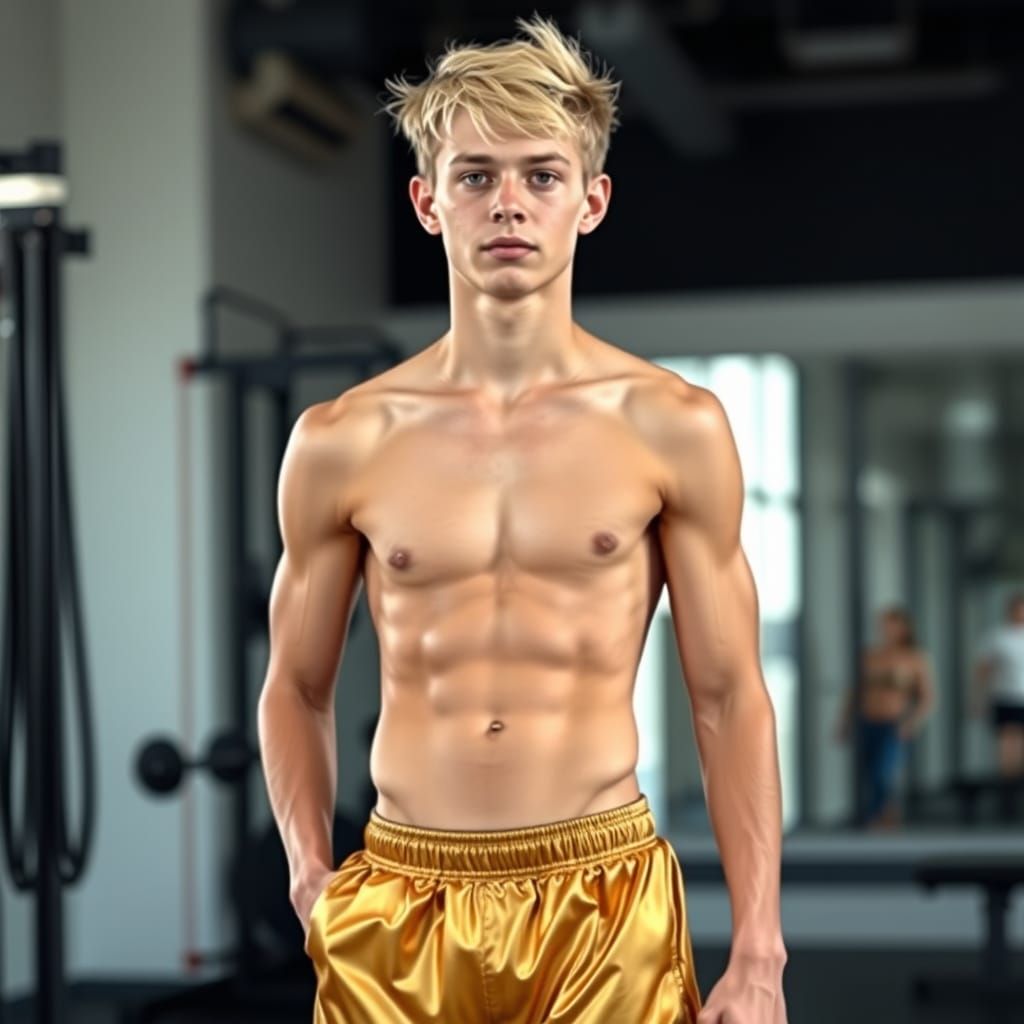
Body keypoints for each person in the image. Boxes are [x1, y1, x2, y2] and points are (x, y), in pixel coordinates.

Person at [257, 14, 787, 1024]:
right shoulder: (342, 438)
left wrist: (758, 951)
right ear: (426, 202)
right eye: (475, 175)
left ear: (590, 202)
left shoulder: (670, 425)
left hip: (601, 896)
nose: (508, 203)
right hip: (400, 898)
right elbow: (296, 685)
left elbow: (727, 696)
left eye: (541, 176)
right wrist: (306, 875)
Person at [835, 605, 936, 830]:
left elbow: (927, 697)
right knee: (868, 773)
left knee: (883, 771)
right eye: (883, 625)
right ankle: (883, 815)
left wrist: (912, 722)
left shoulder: (914, 658)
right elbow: (854, 691)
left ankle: (878, 816)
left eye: (891, 625)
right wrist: (843, 721)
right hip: (867, 721)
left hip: (894, 723)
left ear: (904, 628)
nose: (886, 630)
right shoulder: (869, 656)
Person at [970, 591, 1024, 779]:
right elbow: (983, 670)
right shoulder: (997, 636)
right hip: (1005, 695)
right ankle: (1007, 785)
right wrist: (978, 697)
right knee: (1006, 743)